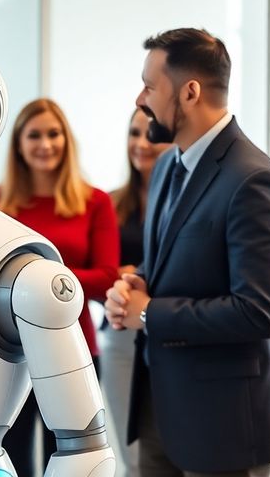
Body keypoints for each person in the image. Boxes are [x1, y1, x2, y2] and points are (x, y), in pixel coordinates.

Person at [104, 28, 270, 477]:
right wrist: (136, 283)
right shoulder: (167, 167)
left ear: (190, 92)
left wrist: (150, 312)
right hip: (159, 407)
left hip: (225, 424)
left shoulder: (254, 181)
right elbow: (170, 264)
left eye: (151, 86)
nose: (141, 98)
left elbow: (258, 312)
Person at [0, 98, 120, 476]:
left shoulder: (95, 202)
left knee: (72, 455)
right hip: (7, 353)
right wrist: (55, 282)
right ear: (19, 145)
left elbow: (107, 278)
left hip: (75, 348)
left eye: (54, 134)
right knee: (9, 452)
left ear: (67, 139)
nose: (45, 144)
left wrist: (36, 282)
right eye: (35, 135)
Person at [99, 107, 172, 477]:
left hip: (169, 330)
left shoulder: (180, 202)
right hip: (121, 337)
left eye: (151, 133)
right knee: (132, 454)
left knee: (166, 448)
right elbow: (101, 272)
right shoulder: (110, 203)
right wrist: (118, 275)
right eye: (133, 133)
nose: (141, 143)